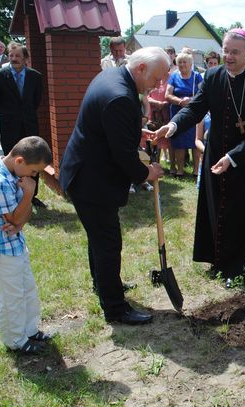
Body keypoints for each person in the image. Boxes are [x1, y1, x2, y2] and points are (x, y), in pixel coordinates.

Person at [58, 47, 167, 325]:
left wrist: (135, 130)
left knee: (99, 239)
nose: (159, 85)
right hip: (91, 181)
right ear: (141, 68)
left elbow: (111, 128)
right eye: (156, 78)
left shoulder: (112, 77)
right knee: (108, 243)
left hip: (85, 173)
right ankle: (116, 308)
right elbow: (123, 155)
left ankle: (104, 286)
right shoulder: (119, 96)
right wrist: (147, 172)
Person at [155, 28, 245, 280]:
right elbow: (195, 108)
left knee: (239, 213)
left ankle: (240, 268)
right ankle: (219, 261)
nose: (228, 57)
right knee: (217, 209)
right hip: (215, 154)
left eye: (234, 52)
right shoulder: (212, 76)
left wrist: (233, 157)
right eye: (225, 51)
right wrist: (173, 125)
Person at [0, 136, 54, 354]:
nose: (34, 177)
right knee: (12, 298)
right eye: (34, 171)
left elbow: (22, 217)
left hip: (13, 245)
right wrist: (27, 195)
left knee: (27, 290)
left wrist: (20, 219)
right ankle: (16, 340)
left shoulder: (14, 176)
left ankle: (29, 331)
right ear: (19, 161)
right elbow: (16, 218)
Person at [0, 42, 44, 207]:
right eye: (11, 56)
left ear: (25, 58)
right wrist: (7, 116)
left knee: (33, 158)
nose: (14, 59)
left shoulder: (35, 76)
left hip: (29, 125)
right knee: (12, 160)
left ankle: (31, 195)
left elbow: (36, 100)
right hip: (9, 126)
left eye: (18, 56)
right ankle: (12, 194)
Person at [165, 52, 203, 177]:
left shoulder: (197, 76)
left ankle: (196, 170)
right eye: (179, 62)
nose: (181, 64)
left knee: (195, 141)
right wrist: (180, 101)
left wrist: (191, 101)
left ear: (191, 64)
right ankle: (180, 170)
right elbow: (167, 95)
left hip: (194, 113)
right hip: (177, 112)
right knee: (179, 141)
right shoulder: (173, 77)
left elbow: (203, 93)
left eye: (184, 62)